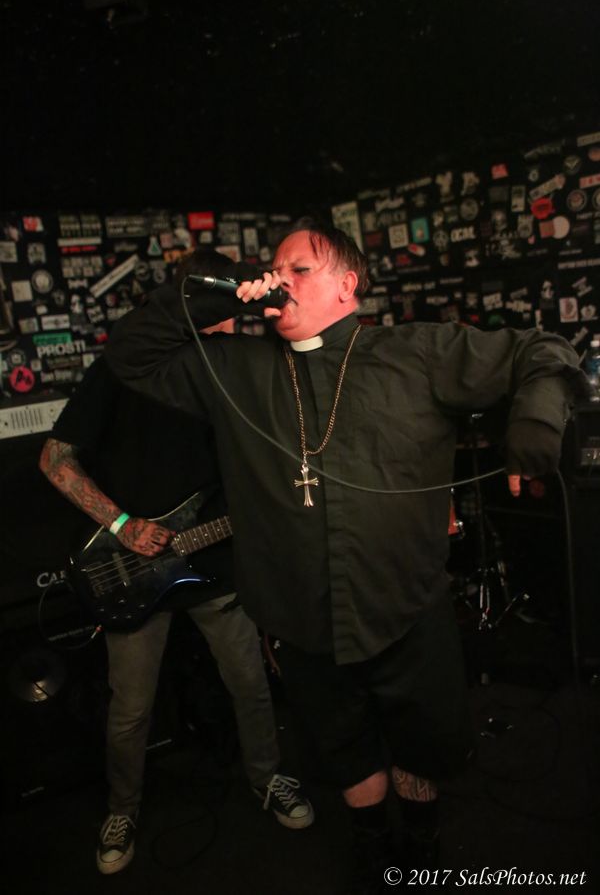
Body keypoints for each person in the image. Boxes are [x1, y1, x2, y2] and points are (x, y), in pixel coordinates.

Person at [103, 221, 586, 893]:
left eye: (298, 270)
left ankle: (421, 843)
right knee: (342, 745)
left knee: (420, 743)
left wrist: (535, 419)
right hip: (302, 619)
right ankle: (372, 845)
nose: (279, 282)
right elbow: (131, 357)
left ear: (346, 284)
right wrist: (220, 296)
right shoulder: (236, 368)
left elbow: (543, 348)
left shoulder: (415, 351)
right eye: (273, 271)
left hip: (405, 608)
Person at [39, 248, 314, 877]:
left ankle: (268, 778)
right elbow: (55, 459)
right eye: (218, 310)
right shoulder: (122, 369)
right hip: (133, 568)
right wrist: (122, 525)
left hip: (212, 556)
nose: (229, 324)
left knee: (250, 682)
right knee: (131, 708)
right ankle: (123, 810)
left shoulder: (229, 371)